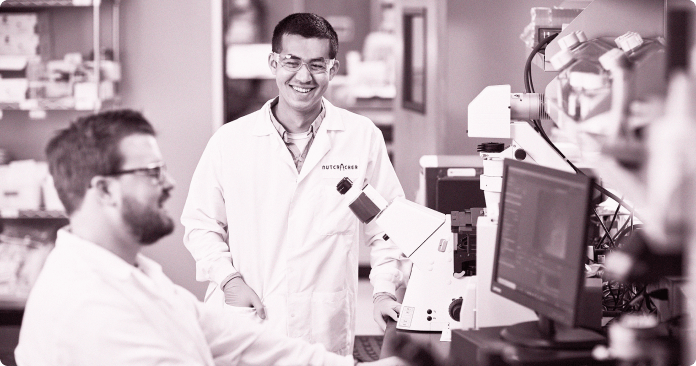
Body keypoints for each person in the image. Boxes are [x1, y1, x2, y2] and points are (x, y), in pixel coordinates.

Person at [14, 109, 405, 366]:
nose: (169, 183)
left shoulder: (136, 277)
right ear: (104, 190)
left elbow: (241, 342)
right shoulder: (90, 306)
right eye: (152, 172)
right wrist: (230, 279)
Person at [182, 13, 407, 355]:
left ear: (333, 69)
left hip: (322, 327)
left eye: (317, 64)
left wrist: (384, 290)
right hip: (248, 321)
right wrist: (228, 280)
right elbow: (201, 224)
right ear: (273, 63)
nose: (304, 76)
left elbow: (385, 226)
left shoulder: (360, 138)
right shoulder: (230, 141)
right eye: (291, 62)